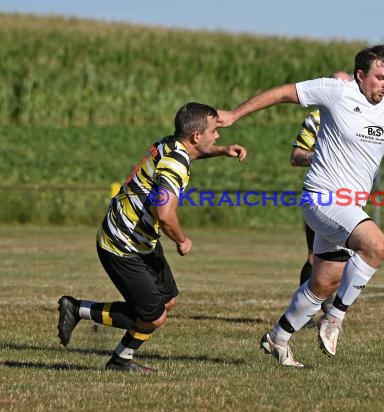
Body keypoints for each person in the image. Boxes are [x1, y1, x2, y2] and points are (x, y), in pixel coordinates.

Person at [217, 44, 384, 368]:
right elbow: (284, 93)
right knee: (376, 246)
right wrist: (234, 115)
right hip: (322, 197)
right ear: (360, 75)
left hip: (349, 207)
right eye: (380, 77)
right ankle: (335, 318)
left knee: (323, 283)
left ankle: (277, 338)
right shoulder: (336, 92)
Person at [57, 102, 247, 373]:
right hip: (121, 244)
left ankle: (88, 324)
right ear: (196, 136)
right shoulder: (175, 164)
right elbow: (165, 214)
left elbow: (192, 152)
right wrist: (182, 240)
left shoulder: (171, 144)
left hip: (142, 241)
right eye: (215, 131)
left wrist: (222, 151)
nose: (218, 135)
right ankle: (98, 333)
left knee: (166, 300)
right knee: (154, 317)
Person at [290, 71, 352, 326]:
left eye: (346, 84)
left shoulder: (360, 116)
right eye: (337, 83)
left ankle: (328, 305)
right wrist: (320, 155)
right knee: (314, 255)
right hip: (323, 196)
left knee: (348, 255)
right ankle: (305, 312)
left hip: (351, 196)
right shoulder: (316, 119)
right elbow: (296, 156)